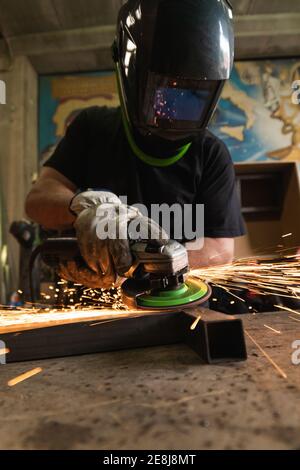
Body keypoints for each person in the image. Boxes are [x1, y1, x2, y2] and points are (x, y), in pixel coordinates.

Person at [25, 0, 245, 289]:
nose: (172, 113)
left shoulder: (211, 154)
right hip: (92, 301)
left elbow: (221, 251)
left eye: (193, 96)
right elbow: (38, 200)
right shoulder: (93, 127)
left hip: (172, 308)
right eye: (164, 94)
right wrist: (85, 208)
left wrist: (150, 264)